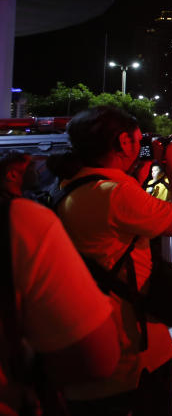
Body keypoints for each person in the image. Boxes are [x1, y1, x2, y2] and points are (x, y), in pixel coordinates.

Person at [49, 106, 172, 415]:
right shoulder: (116, 193)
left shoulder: (69, 186)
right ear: (123, 143)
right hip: (129, 355)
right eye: (137, 139)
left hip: (86, 345)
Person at [1, 150, 120, 415]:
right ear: (11, 174)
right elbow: (97, 359)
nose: (39, 170)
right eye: (29, 166)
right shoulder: (20, 218)